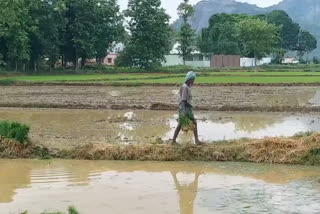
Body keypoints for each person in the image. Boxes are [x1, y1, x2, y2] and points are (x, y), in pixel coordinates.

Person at [172, 71, 203, 145]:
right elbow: (183, 100)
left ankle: (174, 141)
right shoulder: (185, 87)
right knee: (191, 123)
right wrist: (184, 111)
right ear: (190, 79)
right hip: (185, 107)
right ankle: (196, 141)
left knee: (181, 124)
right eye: (193, 79)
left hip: (186, 107)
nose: (194, 81)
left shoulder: (186, 87)